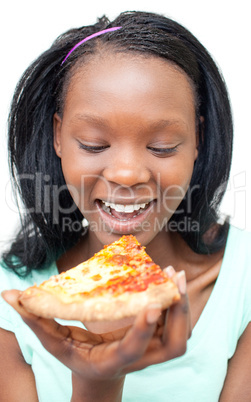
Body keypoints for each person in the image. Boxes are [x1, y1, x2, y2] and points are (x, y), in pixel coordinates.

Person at [0, 10, 250, 402]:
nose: (128, 174)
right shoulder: (13, 297)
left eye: (162, 146)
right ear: (58, 136)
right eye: (94, 145)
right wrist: (97, 382)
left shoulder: (244, 278)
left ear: (198, 138)